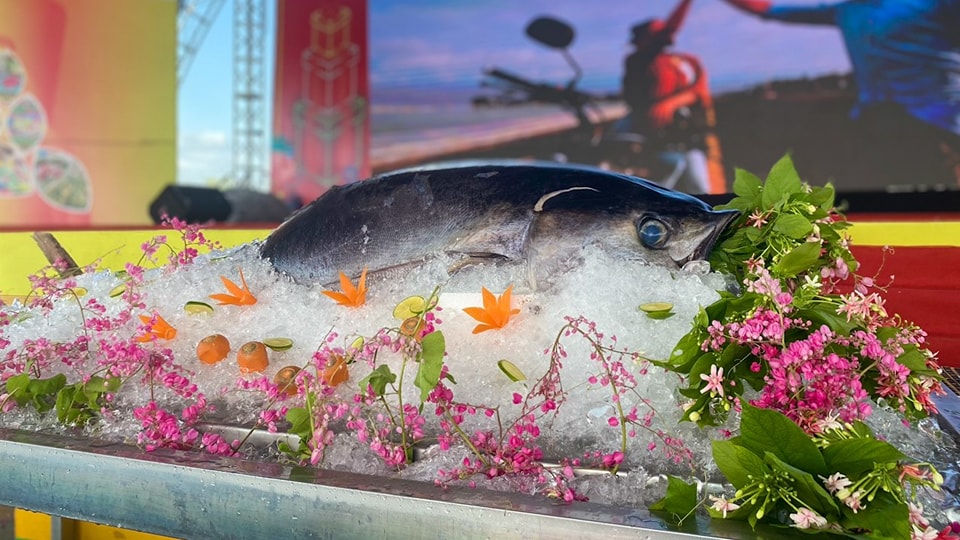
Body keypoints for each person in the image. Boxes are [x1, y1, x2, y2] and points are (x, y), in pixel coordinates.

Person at [720, 0, 960, 187]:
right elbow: (766, 9)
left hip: (940, 122)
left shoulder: (932, 5)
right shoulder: (846, 11)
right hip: (878, 124)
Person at [618, 0, 727, 194]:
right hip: (656, 135)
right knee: (663, 185)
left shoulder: (686, 61)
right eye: (656, 32)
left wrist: (672, 102)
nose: (665, 34)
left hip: (689, 135)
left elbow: (699, 91)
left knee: (701, 187)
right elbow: (635, 100)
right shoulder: (638, 61)